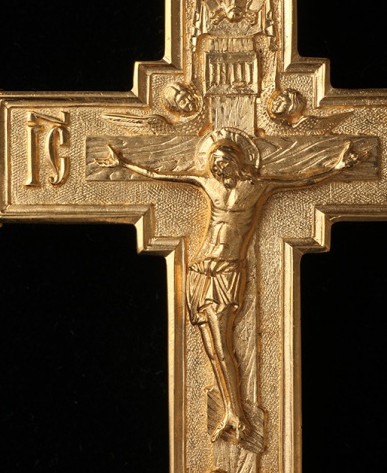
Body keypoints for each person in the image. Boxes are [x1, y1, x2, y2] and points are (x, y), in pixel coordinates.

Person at [108, 129, 359, 446]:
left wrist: (338, 167)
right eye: (214, 164)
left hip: (228, 270)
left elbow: (303, 180)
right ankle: (231, 412)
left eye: (223, 163)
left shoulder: (257, 186)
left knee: (223, 343)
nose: (218, 169)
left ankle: (237, 413)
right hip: (202, 269)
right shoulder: (207, 183)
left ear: (236, 161)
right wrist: (124, 163)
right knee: (211, 348)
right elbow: (161, 174)